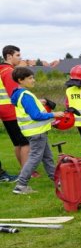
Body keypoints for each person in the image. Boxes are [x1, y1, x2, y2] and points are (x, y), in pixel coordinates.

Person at [9, 67, 65, 194]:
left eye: (33, 77)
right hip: (36, 133)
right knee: (34, 158)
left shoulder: (18, 93)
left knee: (47, 157)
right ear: (20, 80)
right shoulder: (26, 95)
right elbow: (36, 115)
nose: (33, 80)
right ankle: (21, 185)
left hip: (36, 132)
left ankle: (57, 180)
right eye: (30, 78)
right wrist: (54, 114)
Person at [1, 45, 30, 173]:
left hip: (4, 111)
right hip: (12, 111)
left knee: (17, 143)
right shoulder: (9, 72)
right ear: (9, 56)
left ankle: (23, 169)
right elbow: (15, 94)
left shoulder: (1, 70)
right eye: (17, 55)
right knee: (25, 143)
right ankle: (27, 172)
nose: (20, 58)